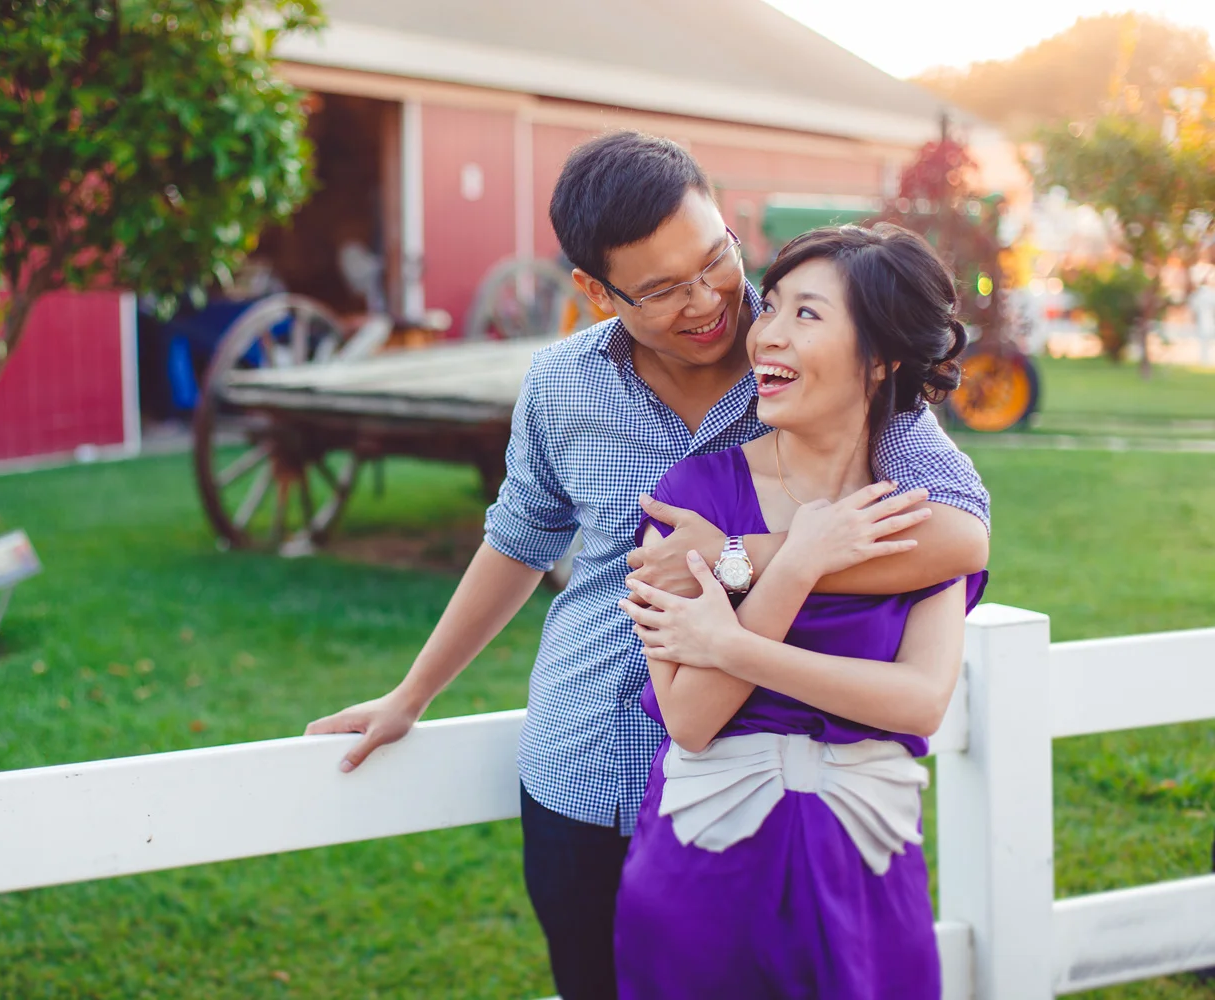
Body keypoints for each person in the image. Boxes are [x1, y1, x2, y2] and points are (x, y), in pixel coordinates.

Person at [305, 131, 990, 1000]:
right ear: (596, 291)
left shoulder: (817, 356)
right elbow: (518, 539)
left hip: (763, 777)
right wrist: (413, 693)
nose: (709, 302)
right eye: (663, 289)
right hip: (591, 764)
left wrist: (738, 559)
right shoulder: (562, 385)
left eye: (717, 261)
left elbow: (961, 533)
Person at [615, 224, 988, 998]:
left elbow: (920, 701)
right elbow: (690, 718)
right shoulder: (687, 500)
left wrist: (741, 640)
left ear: (880, 357)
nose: (767, 334)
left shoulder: (917, 520)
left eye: (807, 315)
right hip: (701, 877)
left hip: (867, 873)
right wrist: (801, 560)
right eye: (772, 306)